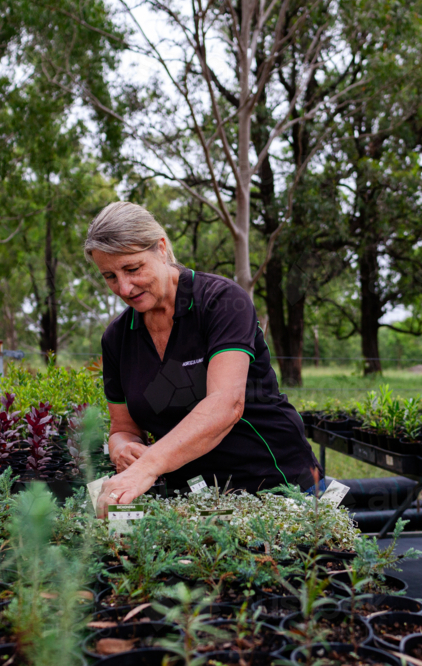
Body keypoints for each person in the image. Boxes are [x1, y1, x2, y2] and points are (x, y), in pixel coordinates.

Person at [86, 202, 320, 517]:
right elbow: (123, 426)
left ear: (161, 248)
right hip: (194, 498)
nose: (124, 287)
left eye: (132, 268)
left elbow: (226, 406)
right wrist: (122, 449)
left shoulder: (221, 302)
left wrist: (148, 466)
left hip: (276, 485)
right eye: (110, 276)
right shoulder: (117, 337)